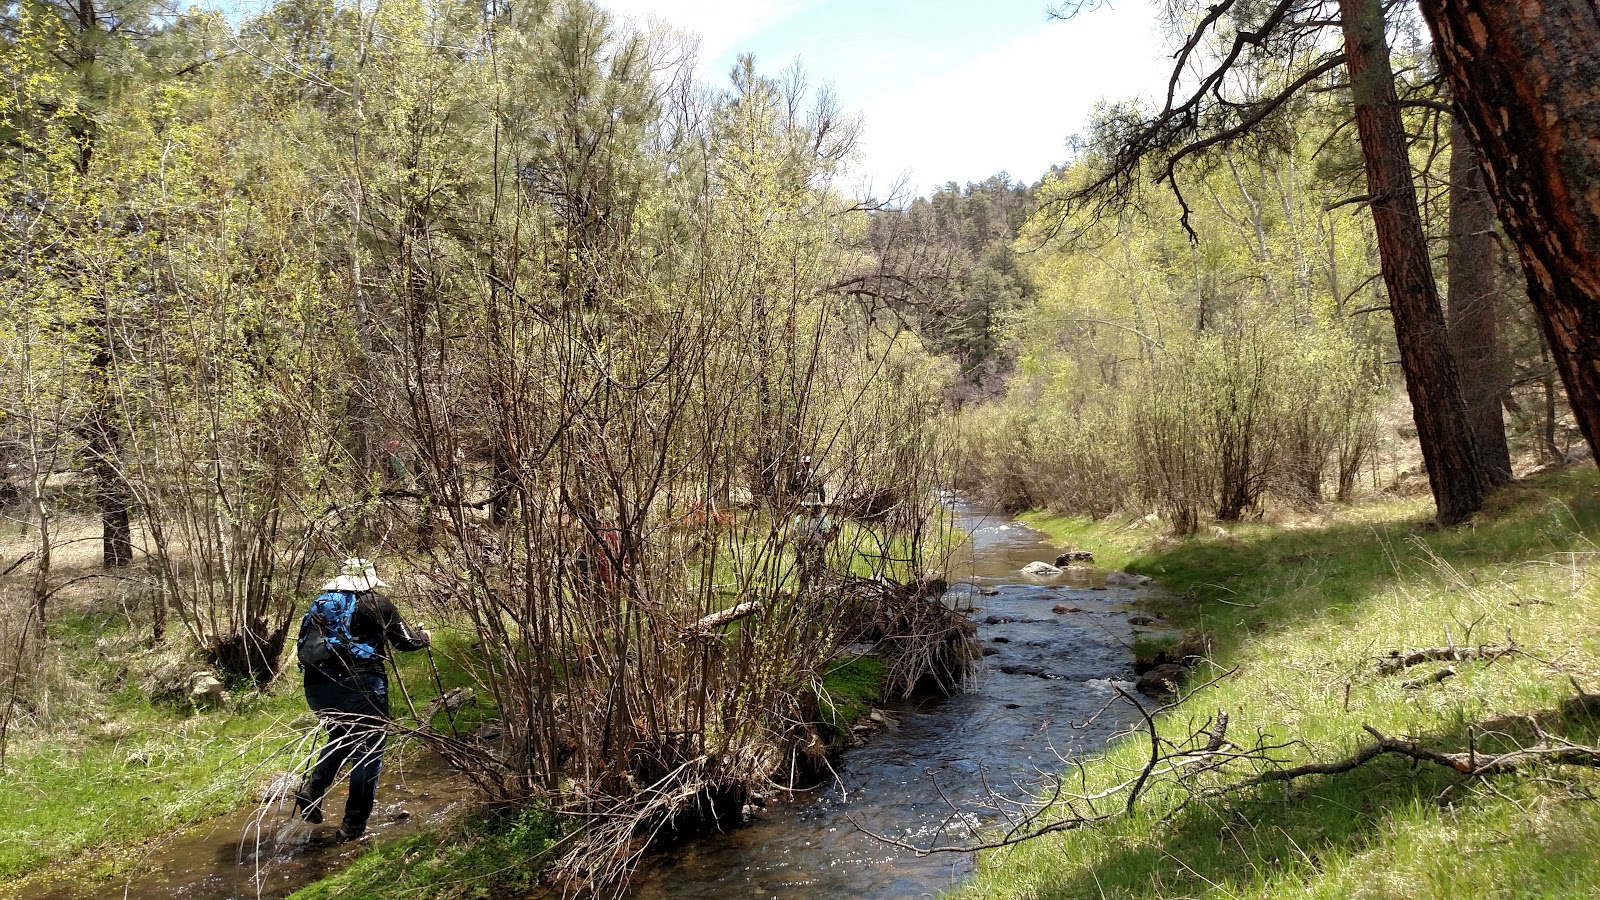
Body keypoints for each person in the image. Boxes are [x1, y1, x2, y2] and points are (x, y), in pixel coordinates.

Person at [294, 558, 430, 841]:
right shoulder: (375, 603)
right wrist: (424, 637)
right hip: (361, 685)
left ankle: (313, 789)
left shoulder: (320, 604)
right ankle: (353, 825)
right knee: (368, 750)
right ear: (369, 580)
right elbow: (406, 642)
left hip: (317, 687)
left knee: (341, 736)